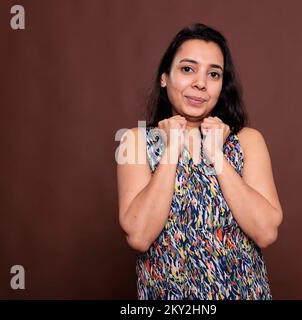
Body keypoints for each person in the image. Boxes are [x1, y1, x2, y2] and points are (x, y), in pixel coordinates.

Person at [116, 23, 283, 300]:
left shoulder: (247, 141)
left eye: (213, 74)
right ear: (164, 77)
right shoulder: (135, 141)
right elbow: (140, 235)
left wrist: (216, 154)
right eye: (187, 69)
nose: (201, 83)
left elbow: (265, 232)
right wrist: (171, 149)